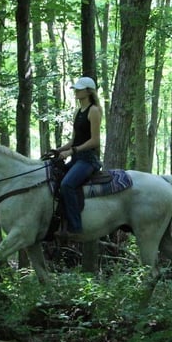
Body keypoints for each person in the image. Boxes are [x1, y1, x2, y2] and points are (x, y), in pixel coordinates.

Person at [54, 76, 103, 238]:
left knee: (67, 184)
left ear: (88, 91)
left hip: (88, 160)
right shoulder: (78, 111)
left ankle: (75, 227)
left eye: (79, 89)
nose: (76, 91)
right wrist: (57, 150)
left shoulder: (94, 111)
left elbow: (95, 140)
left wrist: (73, 151)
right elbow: (74, 140)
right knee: (55, 177)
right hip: (76, 159)